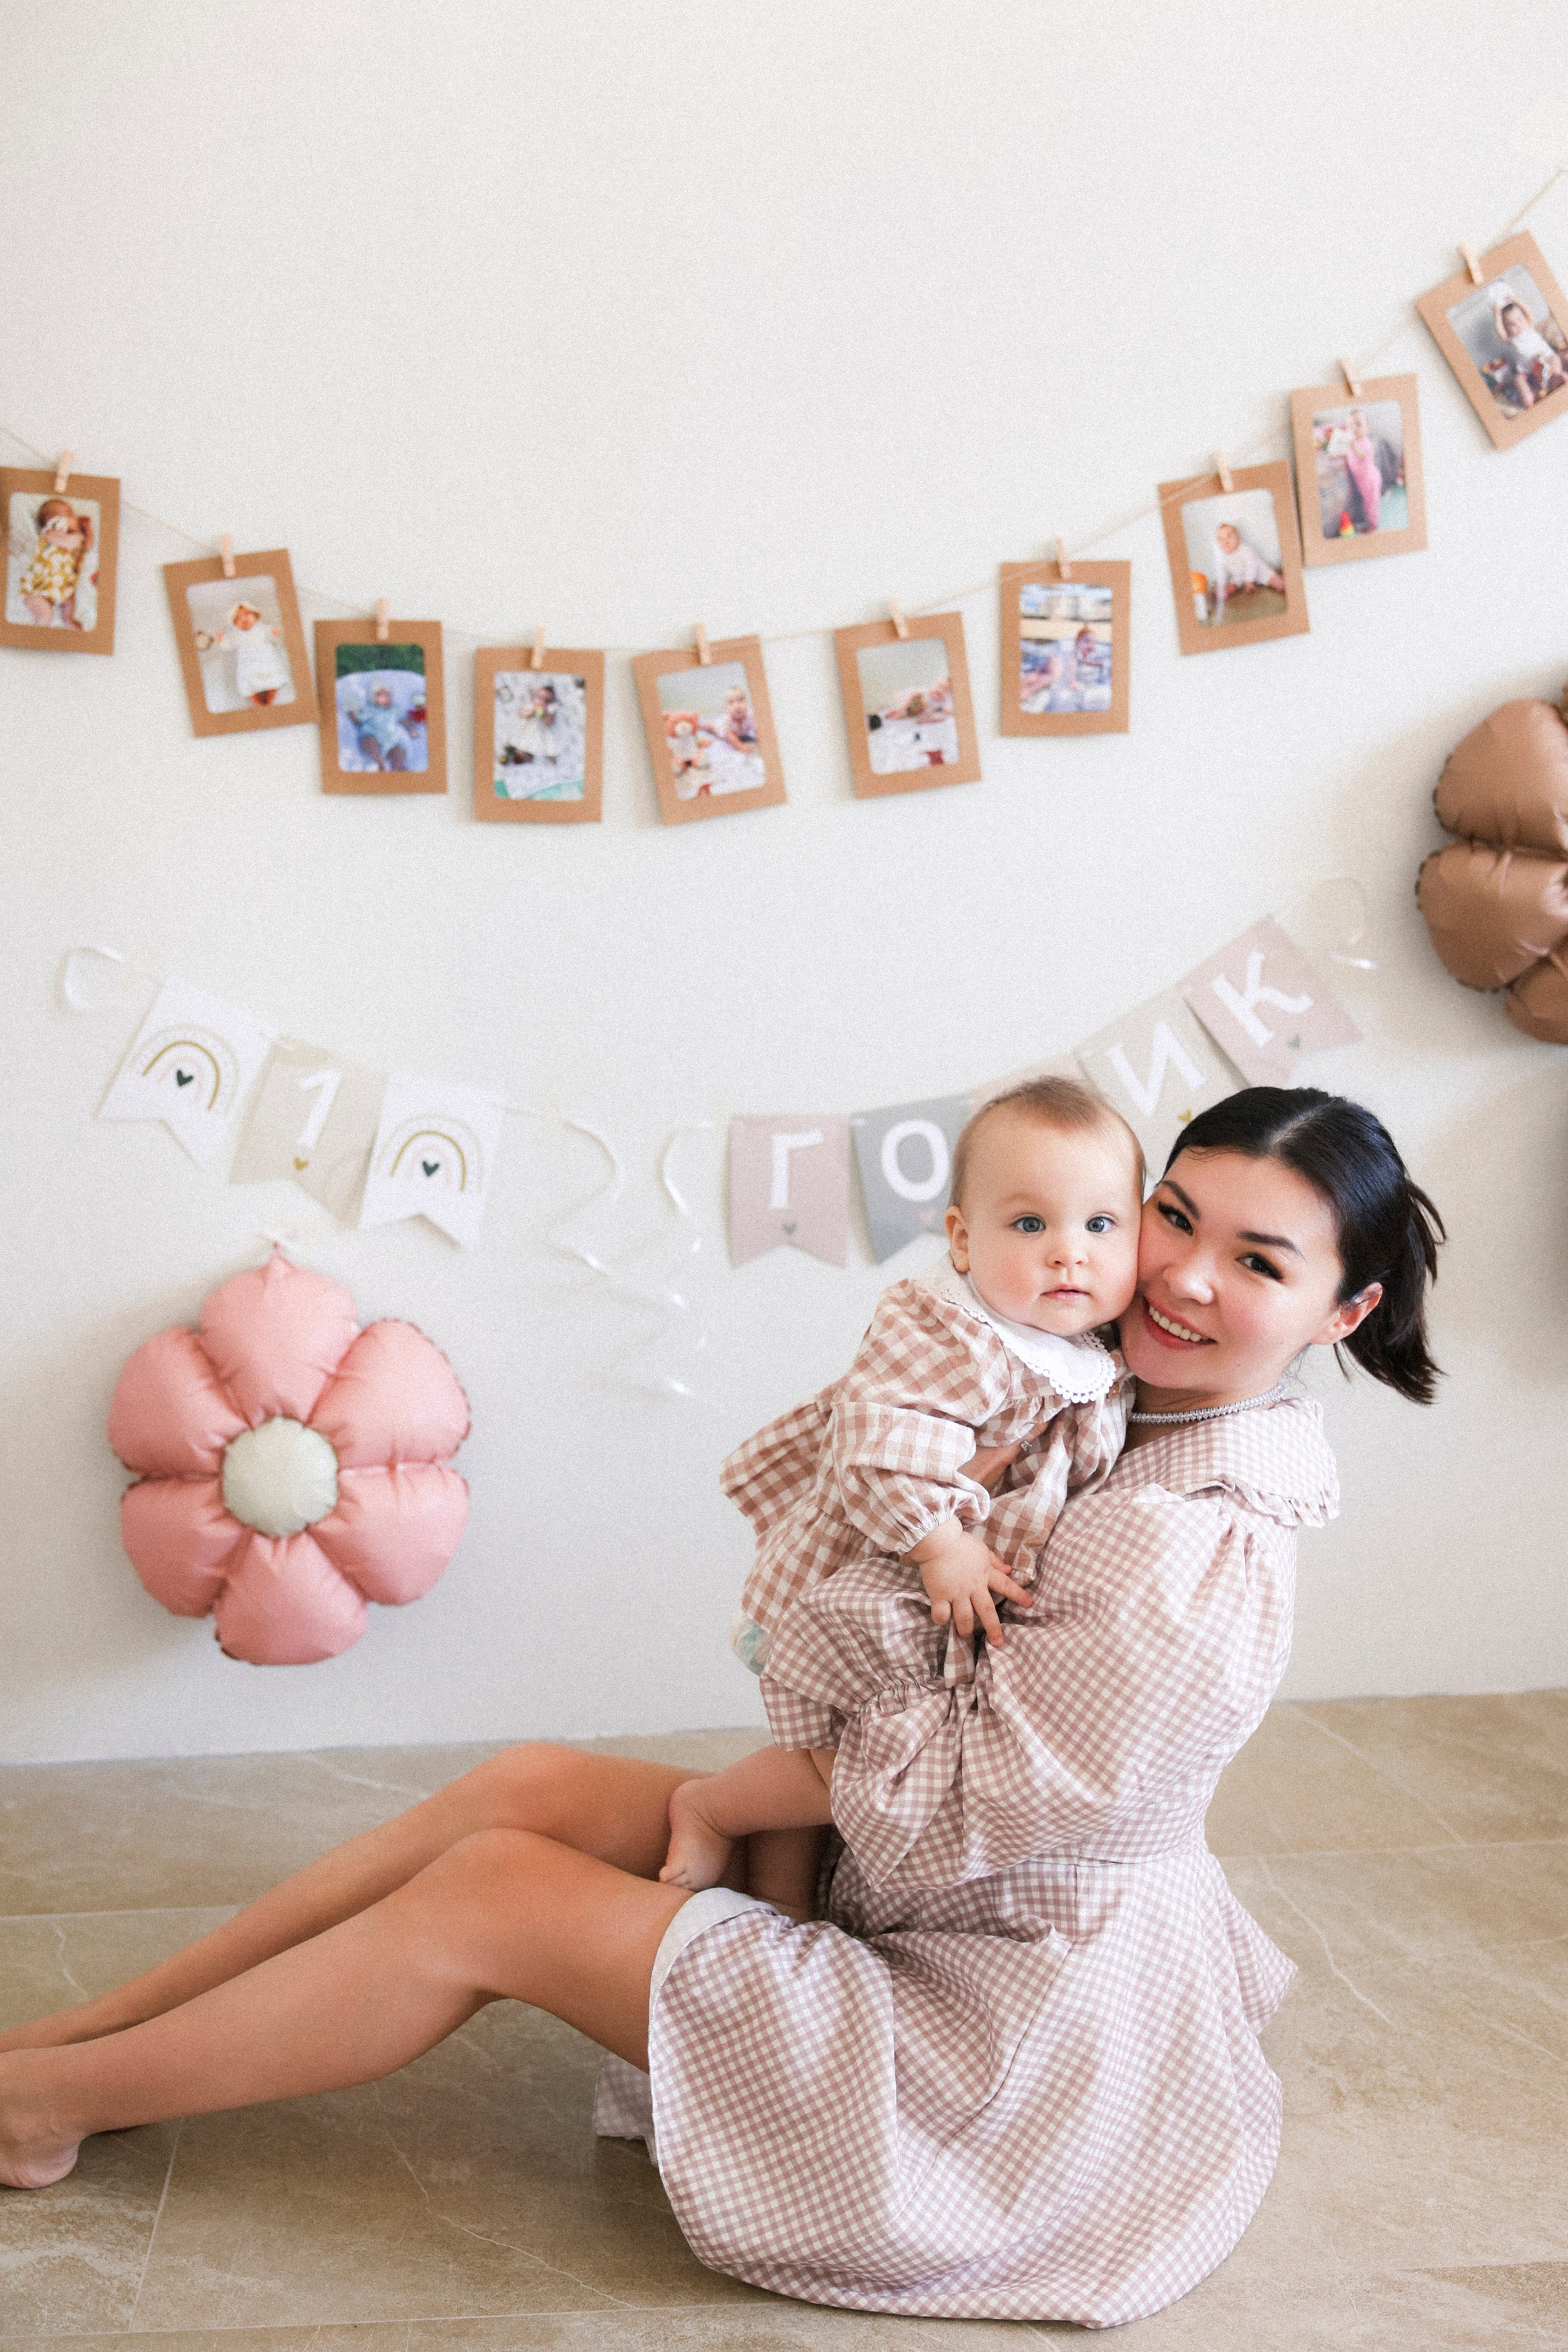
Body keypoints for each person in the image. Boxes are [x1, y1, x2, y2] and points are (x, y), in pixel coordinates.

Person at [0, 1088, 1444, 2331]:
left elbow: (984, 1792)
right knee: (531, 1785)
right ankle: (88, 2041)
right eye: (1169, 1217)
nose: (1175, 1277)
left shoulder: (1193, 1533)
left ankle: (46, 2103)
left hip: (989, 2030)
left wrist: (727, 1797)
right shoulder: (1108, 1396)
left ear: (1343, 1308)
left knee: (497, 1891)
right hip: (939, 1887)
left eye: (1252, 1259)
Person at [663, 1077, 1140, 1912]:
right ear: (961, 1240)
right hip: (866, 1590)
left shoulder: (1093, 1348)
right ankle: (708, 1807)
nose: (1071, 1251)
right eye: (1030, 1224)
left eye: (1101, 1224)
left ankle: (784, 1908)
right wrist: (941, 1544)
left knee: (829, 1757)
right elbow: (878, 1444)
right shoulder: (948, 1330)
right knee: (847, 1764)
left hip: (934, 1609)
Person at [194, 599, 291, 707]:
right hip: (248, 666)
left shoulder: (262, 628)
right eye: (238, 619)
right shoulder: (235, 634)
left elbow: (271, 635)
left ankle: (269, 702)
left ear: (256, 615)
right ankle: (259, 704)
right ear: (235, 624)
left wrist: (275, 633)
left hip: (266, 662)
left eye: (246, 614)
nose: (243, 619)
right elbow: (228, 645)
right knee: (248, 687)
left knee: (274, 683)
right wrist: (222, 641)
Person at [17, 497, 93, 629]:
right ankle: (37, 629)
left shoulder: (72, 537)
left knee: (70, 599)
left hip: (62, 587)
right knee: (47, 616)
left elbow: (87, 547)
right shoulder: (49, 533)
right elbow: (69, 543)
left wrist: (87, 530)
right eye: (68, 515)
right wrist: (79, 535)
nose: (73, 517)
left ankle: (68, 618)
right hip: (38, 588)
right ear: (50, 519)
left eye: (73, 515)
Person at [1491, 285, 1567, 409]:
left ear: (1525, 319)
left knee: (1556, 358)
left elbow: (1528, 310)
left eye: (1520, 320)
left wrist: (1514, 299)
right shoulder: (1510, 339)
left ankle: (1556, 378)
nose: (1518, 325)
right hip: (1528, 369)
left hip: (1545, 358)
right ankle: (1527, 396)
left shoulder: (1529, 326)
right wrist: (1497, 314)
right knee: (1518, 379)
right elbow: (1499, 329)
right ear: (1507, 329)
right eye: (1512, 325)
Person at [1209, 518, 1284, 618]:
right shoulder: (1223, 557)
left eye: (1229, 537)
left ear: (1237, 538)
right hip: (1240, 576)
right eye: (1221, 540)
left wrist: (1250, 582)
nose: (1225, 542)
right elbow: (1222, 572)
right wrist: (1222, 584)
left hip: (1258, 572)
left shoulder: (1246, 550)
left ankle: (1281, 585)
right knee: (1233, 584)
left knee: (1272, 578)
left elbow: (1252, 565)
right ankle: (1223, 593)